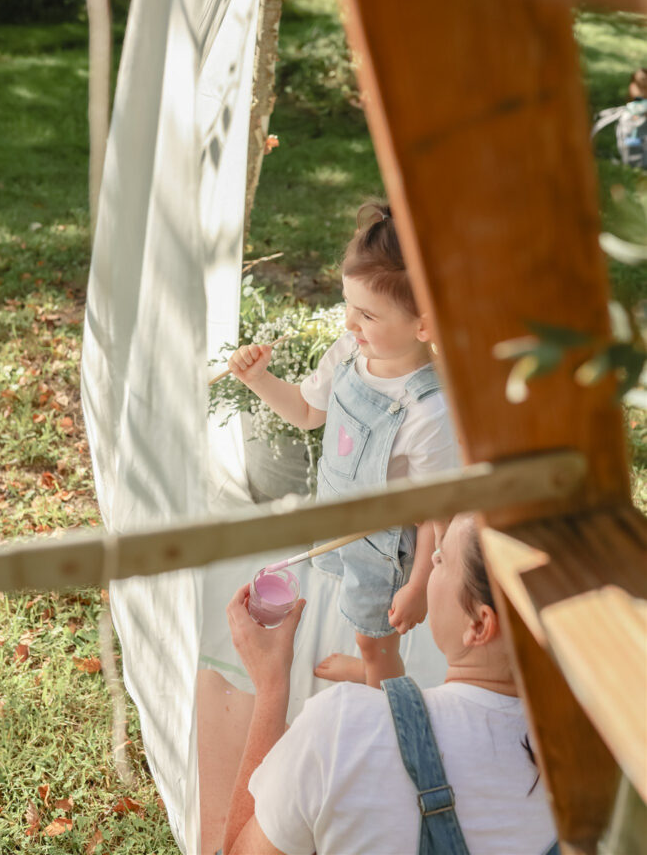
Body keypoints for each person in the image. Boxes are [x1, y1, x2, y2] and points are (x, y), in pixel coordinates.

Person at [221, 515, 559, 855]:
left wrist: (272, 686)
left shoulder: (340, 726)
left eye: (441, 559)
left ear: (479, 624)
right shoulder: (593, 755)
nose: (431, 561)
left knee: (218, 695)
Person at [227, 201, 458, 688]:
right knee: (362, 630)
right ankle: (370, 663)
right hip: (342, 519)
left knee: (376, 639)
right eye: (348, 305)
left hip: (387, 548)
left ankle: (381, 689)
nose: (350, 323)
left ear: (425, 325)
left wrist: (419, 585)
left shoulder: (429, 412)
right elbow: (308, 414)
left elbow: (439, 512)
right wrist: (258, 379)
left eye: (367, 314)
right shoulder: (351, 351)